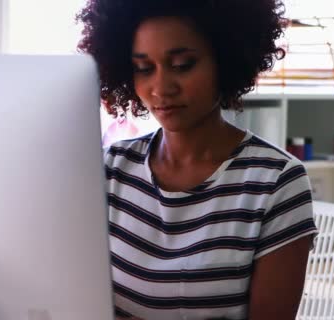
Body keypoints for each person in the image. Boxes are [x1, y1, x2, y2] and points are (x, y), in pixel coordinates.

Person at [76, 1, 318, 319]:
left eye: (182, 64)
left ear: (225, 60)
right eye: (144, 69)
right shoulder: (111, 168)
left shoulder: (276, 182)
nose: (162, 88)